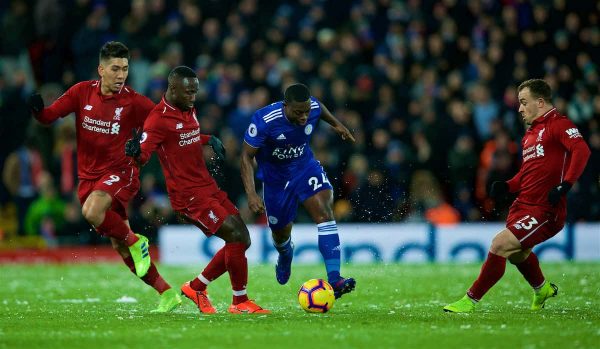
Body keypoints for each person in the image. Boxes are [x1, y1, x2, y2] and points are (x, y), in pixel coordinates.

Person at [27, 41, 182, 312]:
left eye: (124, 68)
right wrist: (38, 110)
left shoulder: (134, 102)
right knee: (120, 247)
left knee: (92, 211)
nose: (121, 74)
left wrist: (191, 138)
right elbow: (49, 116)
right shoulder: (81, 93)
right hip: (89, 178)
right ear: (101, 69)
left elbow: (167, 122)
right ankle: (167, 293)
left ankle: (138, 241)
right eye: (115, 68)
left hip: (122, 173)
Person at [125, 65, 270, 314]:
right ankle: (239, 301)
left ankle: (196, 287)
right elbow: (145, 153)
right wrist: (136, 154)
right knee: (235, 236)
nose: (193, 97)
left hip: (207, 187)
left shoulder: (187, 108)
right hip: (189, 196)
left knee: (242, 239)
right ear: (172, 89)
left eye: (195, 91)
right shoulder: (158, 118)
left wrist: (207, 138)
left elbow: (184, 135)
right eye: (188, 92)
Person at [444, 79, 591, 313]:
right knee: (516, 255)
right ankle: (542, 289)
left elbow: (582, 150)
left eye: (524, 102)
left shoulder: (558, 124)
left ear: (540, 102)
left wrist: (566, 185)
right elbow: (526, 173)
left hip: (546, 209)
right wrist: (507, 186)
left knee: (500, 244)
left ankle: (469, 300)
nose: (520, 108)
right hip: (523, 205)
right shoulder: (530, 134)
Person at [240, 83, 357, 299]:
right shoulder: (265, 120)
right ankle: (285, 254)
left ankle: (335, 279)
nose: (304, 117)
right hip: (275, 180)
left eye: (306, 112)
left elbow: (319, 107)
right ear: (286, 106)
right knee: (281, 234)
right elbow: (246, 156)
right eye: (298, 112)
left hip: (304, 167)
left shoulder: (311, 108)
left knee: (324, 213)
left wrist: (337, 125)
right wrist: (251, 193)